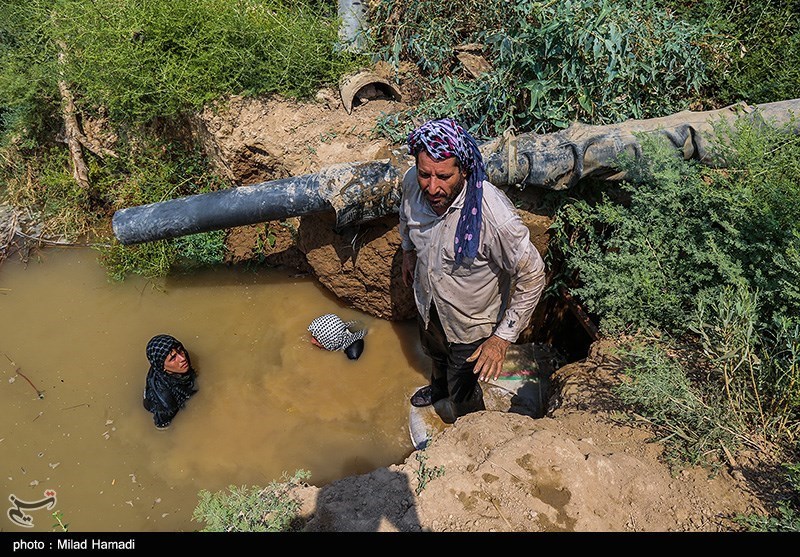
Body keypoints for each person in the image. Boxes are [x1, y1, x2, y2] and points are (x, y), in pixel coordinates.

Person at [399, 118, 547, 424]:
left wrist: (501, 339)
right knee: (435, 355)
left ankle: (469, 427)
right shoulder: (413, 183)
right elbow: (405, 216)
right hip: (429, 303)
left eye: (443, 176)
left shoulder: (494, 218)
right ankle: (438, 389)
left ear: (464, 171)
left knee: (463, 388)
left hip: (471, 325)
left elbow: (532, 275)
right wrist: (408, 252)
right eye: (425, 174)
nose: (432, 187)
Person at [142, 334, 198, 430]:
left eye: (180, 350)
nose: (182, 358)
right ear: (162, 367)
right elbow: (161, 425)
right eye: (173, 358)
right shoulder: (165, 401)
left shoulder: (171, 364)